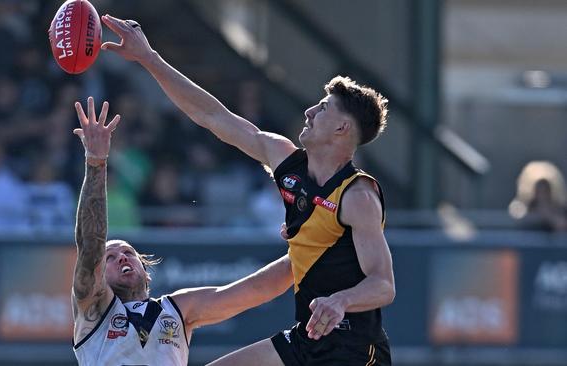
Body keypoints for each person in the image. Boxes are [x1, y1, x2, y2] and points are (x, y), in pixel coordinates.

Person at [99, 15, 396, 366]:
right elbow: (213, 117)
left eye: (324, 108)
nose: (309, 111)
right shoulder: (286, 160)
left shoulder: (357, 195)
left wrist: (341, 300)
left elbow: (383, 285)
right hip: (307, 339)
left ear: (342, 128)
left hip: (355, 349)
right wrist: (150, 58)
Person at [71, 97, 293, 365]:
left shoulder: (178, 308)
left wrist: (308, 245)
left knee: (274, 349)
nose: (122, 257)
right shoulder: (94, 309)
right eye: (110, 257)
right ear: (99, 275)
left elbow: (257, 289)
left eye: (129, 253)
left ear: (145, 270)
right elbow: (90, 246)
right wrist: (96, 162)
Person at [509, 161, 567, 232]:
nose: (542, 193)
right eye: (539, 189)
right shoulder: (527, 207)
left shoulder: (559, 208)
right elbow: (519, 222)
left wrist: (548, 216)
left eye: (545, 189)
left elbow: (562, 226)